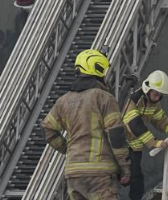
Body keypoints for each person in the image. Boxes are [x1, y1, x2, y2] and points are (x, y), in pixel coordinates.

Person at [42, 49, 131, 200]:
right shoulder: (103, 98)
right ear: (97, 69)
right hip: (100, 175)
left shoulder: (63, 101)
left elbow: (48, 129)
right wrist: (125, 168)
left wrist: (68, 148)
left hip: (74, 173)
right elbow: (116, 135)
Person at [123, 70, 168, 200]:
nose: (158, 98)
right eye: (156, 94)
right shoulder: (133, 101)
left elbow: (161, 121)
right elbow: (134, 124)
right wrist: (154, 142)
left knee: (136, 179)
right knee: (125, 176)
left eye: (160, 96)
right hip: (121, 146)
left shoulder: (153, 104)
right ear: (148, 89)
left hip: (135, 148)